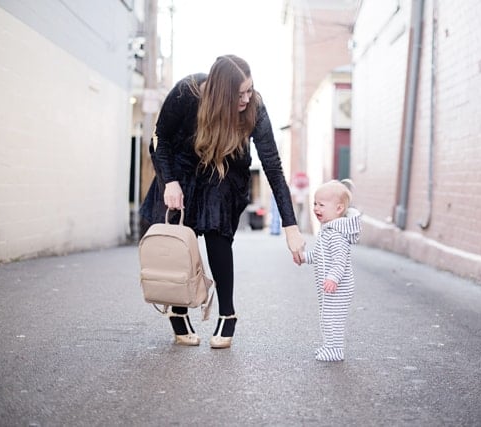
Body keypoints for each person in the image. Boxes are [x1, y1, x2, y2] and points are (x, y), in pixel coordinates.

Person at [140, 55, 305, 349]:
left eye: (249, 89)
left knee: (217, 232)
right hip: (181, 168)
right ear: (219, 93)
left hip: (224, 170)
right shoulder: (187, 93)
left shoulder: (254, 107)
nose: (246, 98)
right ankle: (177, 309)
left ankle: (227, 313)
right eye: (238, 94)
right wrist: (170, 182)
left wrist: (291, 226)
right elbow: (160, 139)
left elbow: (273, 167)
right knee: (181, 236)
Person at [299, 180, 361, 362]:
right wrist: (304, 257)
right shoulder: (327, 231)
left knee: (332, 319)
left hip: (338, 287)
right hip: (331, 286)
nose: (316, 208)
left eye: (322, 205)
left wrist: (333, 278)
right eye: (315, 204)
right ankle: (329, 347)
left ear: (339, 209)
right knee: (327, 317)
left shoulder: (336, 234)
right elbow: (320, 255)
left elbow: (340, 260)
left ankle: (335, 350)